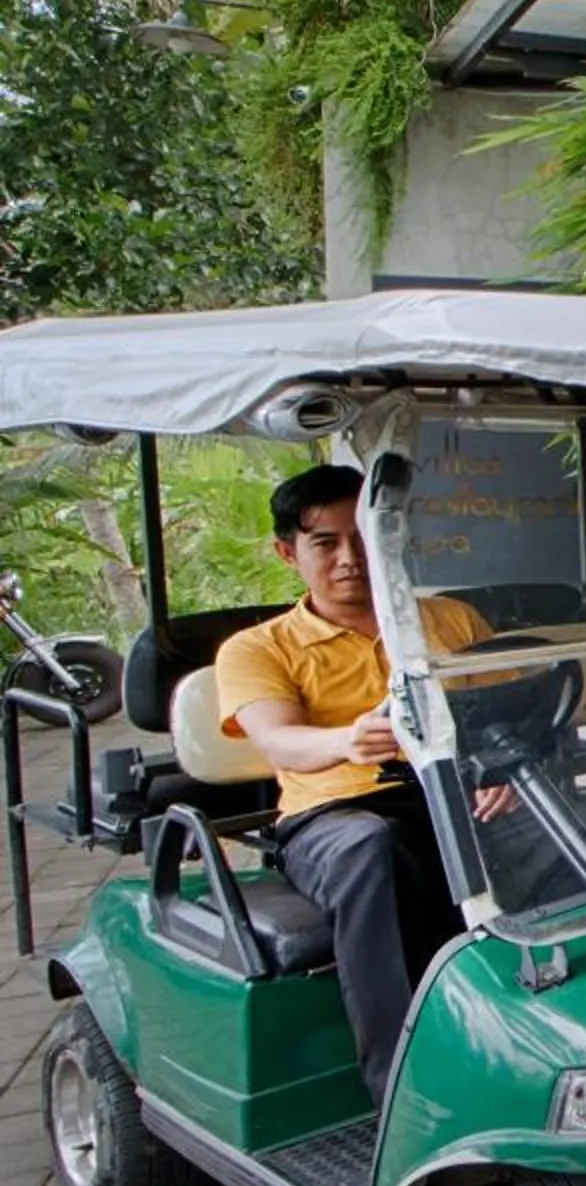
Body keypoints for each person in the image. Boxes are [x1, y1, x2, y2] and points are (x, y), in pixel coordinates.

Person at [218, 464, 500, 1101]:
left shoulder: (452, 620)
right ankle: (408, 1092)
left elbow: (504, 719)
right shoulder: (259, 649)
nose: (351, 559)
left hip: (451, 796)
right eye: (326, 543)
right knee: (372, 851)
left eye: (366, 539)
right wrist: (344, 740)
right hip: (335, 813)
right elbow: (277, 739)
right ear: (288, 553)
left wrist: (503, 775)